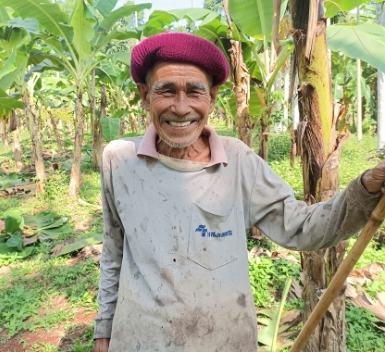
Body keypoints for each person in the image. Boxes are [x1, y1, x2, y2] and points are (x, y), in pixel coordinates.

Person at [93, 32, 385, 352]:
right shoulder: (118, 160)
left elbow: (301, 226)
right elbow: (114, 253)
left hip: (223, 340)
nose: (180, 107)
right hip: (140, 340)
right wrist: (103, 332)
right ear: (145, 95)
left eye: (194, 91)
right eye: (166, 91)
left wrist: (366, 187)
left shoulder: (238, 161)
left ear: (213, 97)